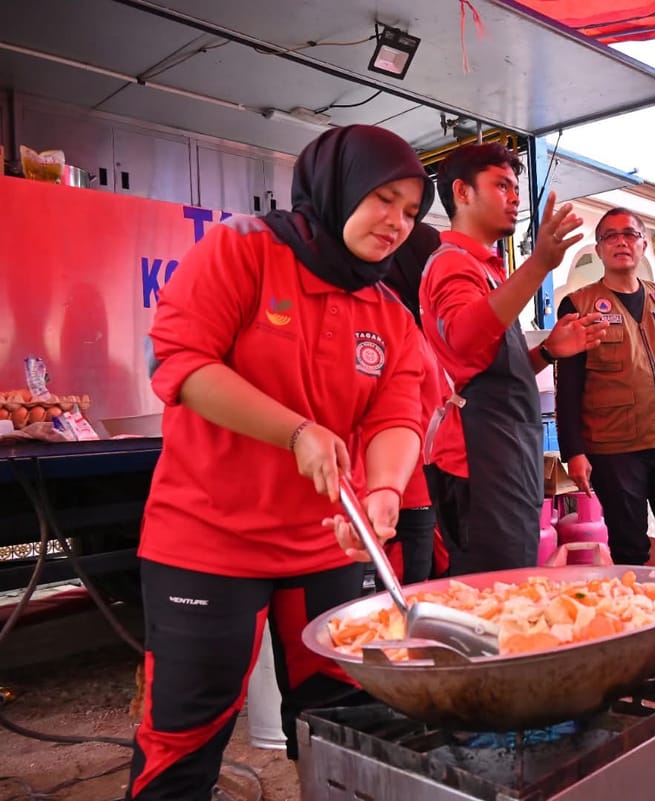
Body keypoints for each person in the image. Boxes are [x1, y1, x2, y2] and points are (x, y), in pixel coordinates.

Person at [128, 125, 433, 799]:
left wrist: (382, 493)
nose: (397, 223)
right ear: (338, 186)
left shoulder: (387, 308)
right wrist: (295, 431)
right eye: (383, 199)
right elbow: (181, 363)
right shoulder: (243, 251)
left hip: (325, 545)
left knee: (343, 721)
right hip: (208, 540)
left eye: (411, 211)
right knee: (187, 729)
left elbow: (397, 413)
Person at [420, 143, 605, 576]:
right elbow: (465, 339)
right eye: (501, 185)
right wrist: (539, 265)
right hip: (477, 461)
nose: (515, 198)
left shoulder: (489, 270)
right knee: (489, 595)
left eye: (516, 188)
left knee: (511, 583)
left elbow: (486, 364)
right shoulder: (452, 264)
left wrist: (545, 352)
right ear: (462, 193)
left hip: (504, 455)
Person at [555, 208, 655, 657]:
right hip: (612, 448)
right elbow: (569, 384)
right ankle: (637, 643)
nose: (621, 242)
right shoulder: (579, 303)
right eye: (610, 236)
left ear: (643, 242)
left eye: (630, 234)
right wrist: (575, 451)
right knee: (628, 548)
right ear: (600, 247)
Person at [382, 221, 448, 583]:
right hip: (406, 488)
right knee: (407, 597)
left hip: (432, 478)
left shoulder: (421, 320)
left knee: (429, 589)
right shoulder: (389, 319)